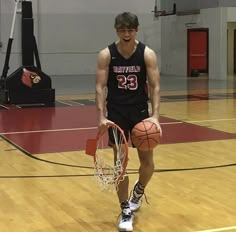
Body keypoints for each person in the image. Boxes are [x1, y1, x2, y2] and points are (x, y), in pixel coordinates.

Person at [95, 12, 162, 231]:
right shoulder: (107, 54)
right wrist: (101, 116)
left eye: (130, 30)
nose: (126, 34)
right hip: (116, 113)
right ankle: (125, 209)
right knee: (120, 164)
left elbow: (154, 86)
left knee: (147, 163)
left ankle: (139, 190)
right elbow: (100, 86)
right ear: (117, 30)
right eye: (122, 30)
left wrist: (155, 116)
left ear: (136, 30)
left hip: (140, 112)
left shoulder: (147, 54)